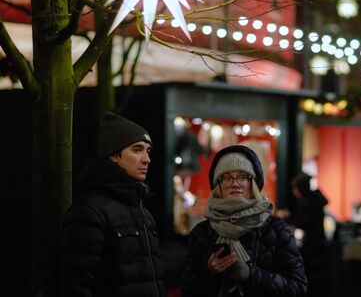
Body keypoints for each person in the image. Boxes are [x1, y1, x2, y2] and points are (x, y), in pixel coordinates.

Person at [60, 112, 165, 297]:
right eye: (137, 149)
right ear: (114, 155)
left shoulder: (141, 208)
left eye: (148, 151)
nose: (147, 159)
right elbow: (75, 285)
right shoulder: (89, 211)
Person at [180, 145, 307, 297]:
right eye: (227, 177)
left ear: (253, 183)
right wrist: (209, 272)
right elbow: (187, 290)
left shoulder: (276, 229)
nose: (235, 183)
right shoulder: (201, 232)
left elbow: (298, 287)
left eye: (242, 177)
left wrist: (251, 274)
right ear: (218, 185)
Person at [286, 173, 328, 297]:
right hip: (318, 242)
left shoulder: (307, 202)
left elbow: (306, 222)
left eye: (295, 188)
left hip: (311, 243)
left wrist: (289, 220)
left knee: (310, 274)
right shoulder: (315, 199)